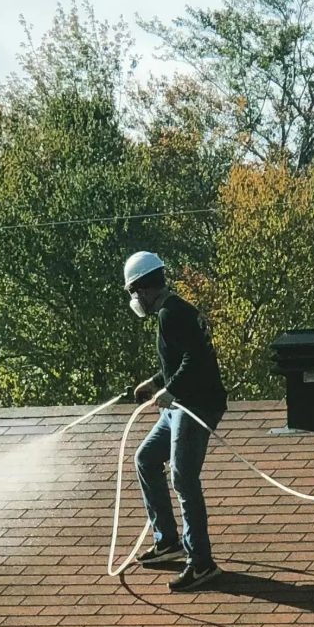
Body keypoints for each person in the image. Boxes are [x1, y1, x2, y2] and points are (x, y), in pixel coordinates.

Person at [124, 251, 228, 592]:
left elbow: (196, 361)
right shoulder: (174, 312)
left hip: (196, 406)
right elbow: (180, 357)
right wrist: (155, 384)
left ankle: (201, 563)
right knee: (146, 459)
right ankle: (167, 540)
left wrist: (170, 390)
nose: (135, 299)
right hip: (180, 404)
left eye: (135, 292)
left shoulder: (171, 314)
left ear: (146, 287)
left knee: (183, 479)